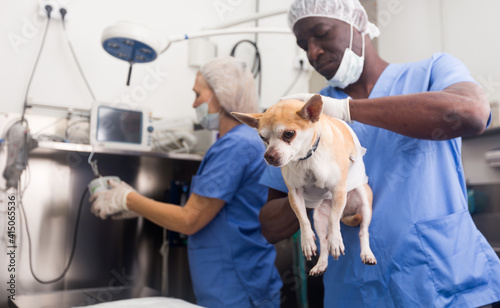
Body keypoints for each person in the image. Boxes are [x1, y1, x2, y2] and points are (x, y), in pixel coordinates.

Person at [258, 0, 500, 307]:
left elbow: (472, 112)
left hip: (443, 282)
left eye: (321, 34)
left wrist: (346, 109)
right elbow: (270, 226)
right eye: (303, 44)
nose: (313, 53)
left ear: (356, 24)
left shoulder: (432, 72)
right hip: (355, 290)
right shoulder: (301, 119)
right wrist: (311, 194)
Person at [90, 56, 282, 308]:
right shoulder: (246, 140)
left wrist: (127, 199)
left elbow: (190, 219)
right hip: (242, 278)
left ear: (221, 95)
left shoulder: (235, 146)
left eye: (198, 95)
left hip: (236, 285)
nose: (194, 103)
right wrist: (134, 206)